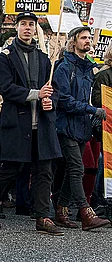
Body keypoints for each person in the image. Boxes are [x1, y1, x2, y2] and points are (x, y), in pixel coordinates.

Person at [0, 11, 63, 235]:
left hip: (41, 125)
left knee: (44, 171)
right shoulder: (5, 57)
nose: (27, 28)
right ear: (16, 28)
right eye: (23, 24)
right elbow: (5, 87)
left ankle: (43, 216)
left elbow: (53, 90)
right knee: (10, 169)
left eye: (31, 25)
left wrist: (50, 100)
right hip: (17, 122)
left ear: (35, 29)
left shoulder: (44, 58)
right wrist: (35, 94)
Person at [51, 26, 110, 230]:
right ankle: (85, 212)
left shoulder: (88, 68)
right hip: (66, 125)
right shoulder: (64, 67)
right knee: (77, 167)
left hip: (82, 126)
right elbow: (65, 100)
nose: (87, 41)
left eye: (88, 38)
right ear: (73, 41)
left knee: (72, 169)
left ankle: (61, 209)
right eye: (83, 38)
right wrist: (90, 110)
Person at [91, 47, 112, 211]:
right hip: (107, 127)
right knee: (105, 163)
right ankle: (100, 202)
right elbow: (98, 100)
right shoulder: (104, 75)